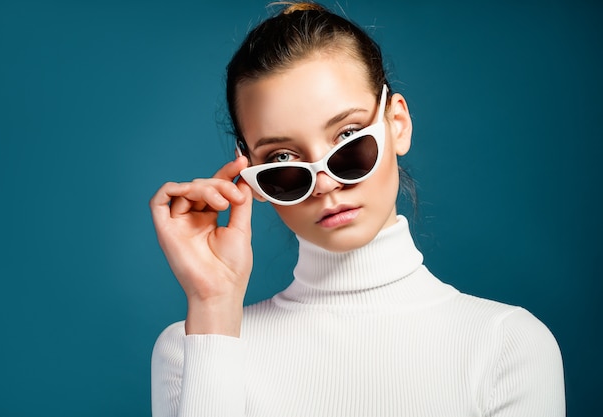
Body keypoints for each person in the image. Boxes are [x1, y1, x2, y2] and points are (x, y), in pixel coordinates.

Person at [149, 2, 565, 416]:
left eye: (348, 137)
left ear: (397, 124)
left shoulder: (506, 346)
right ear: (251, 176)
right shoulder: (194, 348)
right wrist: (213, 304)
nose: (326, 183)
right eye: (281, 161)